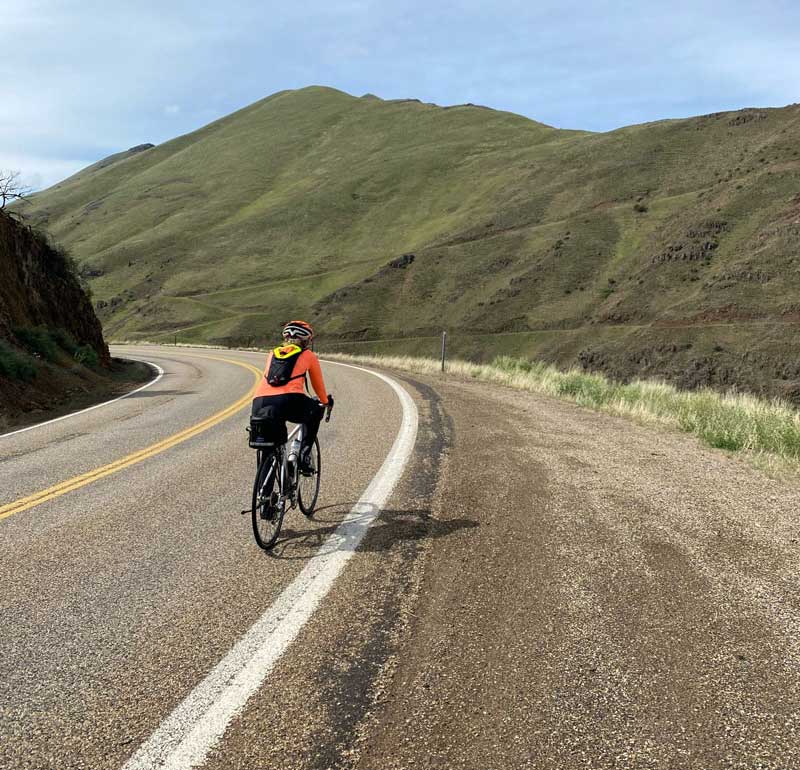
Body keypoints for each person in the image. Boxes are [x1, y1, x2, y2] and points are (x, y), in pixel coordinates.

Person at [250, 320, 332, 473]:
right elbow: (318, 386)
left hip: (260, 402)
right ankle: (304, 454)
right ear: (307, 340)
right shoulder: (308, 355)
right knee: (315, 411)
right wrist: (326, 402)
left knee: (269, 446)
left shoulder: (272, 354)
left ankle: (264, 494)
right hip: (290, 400)